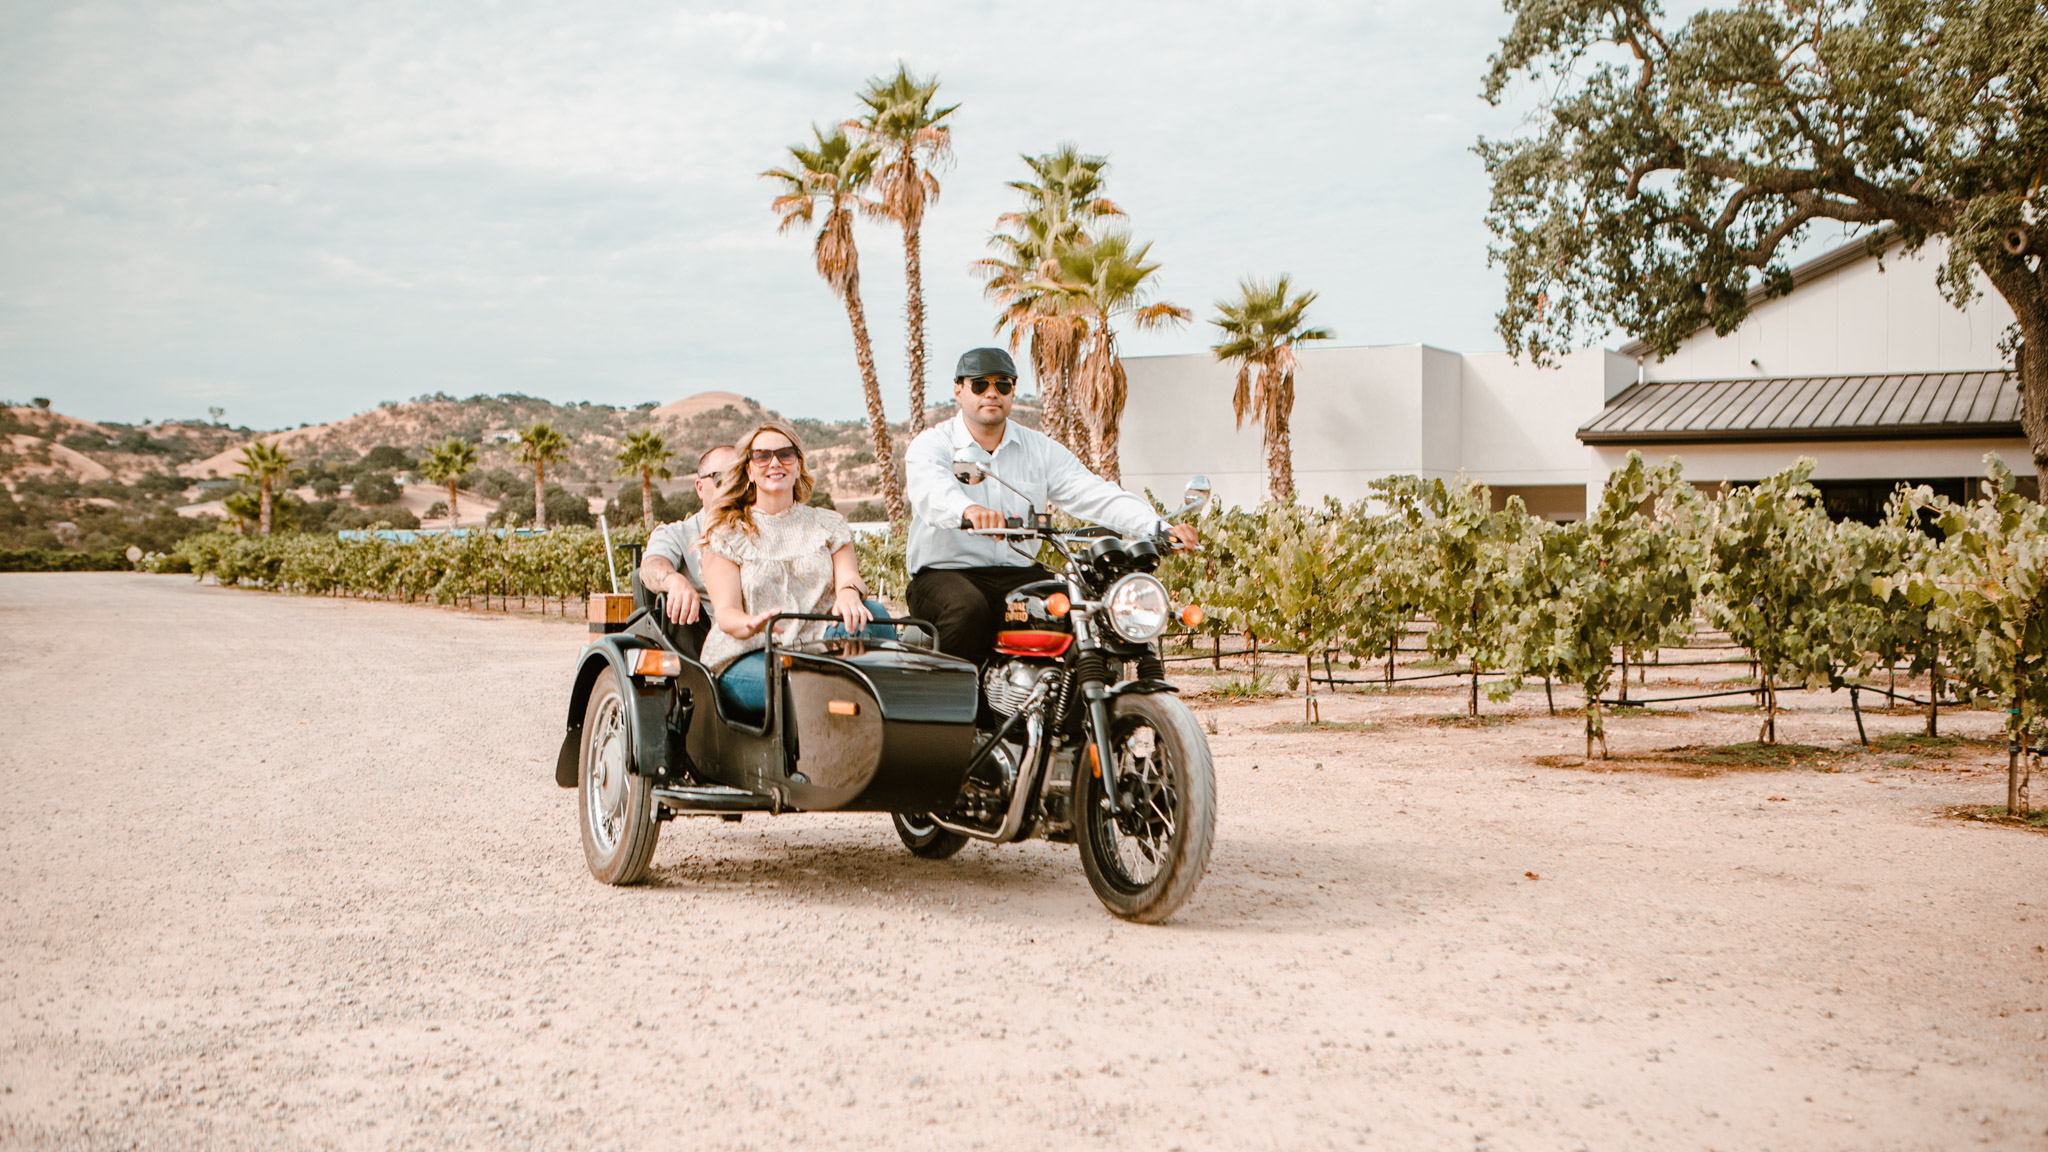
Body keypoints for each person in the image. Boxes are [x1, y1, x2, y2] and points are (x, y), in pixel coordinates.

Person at [904, 346, 1198, 664]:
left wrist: (1160, 528)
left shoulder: (1039, 449)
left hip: (1015, 573)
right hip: (944, 574)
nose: (992, 393)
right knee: (966, 608)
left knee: (1076, 609)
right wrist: (968, 511)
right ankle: (956, 708)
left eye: (1002, 385)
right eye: (980, 384)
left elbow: (1094, 493)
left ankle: (1067, 706)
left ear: (1013, 390)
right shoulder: (933, 444)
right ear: (958, 390)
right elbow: (931, 490)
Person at [699, 421, 889, 722]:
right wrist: (752, 623)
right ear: (749, 470)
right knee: (810, 686)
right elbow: (726, 614)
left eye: (785, 454)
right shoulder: (726, 533)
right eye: (762, 456)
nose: (774, 462)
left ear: (798, 466)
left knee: (873, 611)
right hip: (750, 655)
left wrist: (850, 594)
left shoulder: (828, 524)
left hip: (820, 646)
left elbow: (849, 576)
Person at [638, 443, 740, 626]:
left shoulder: (765, 531)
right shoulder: (677, 534)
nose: (733, 488)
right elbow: (650, 566)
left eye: (740, 478)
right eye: (721, 479)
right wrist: (675, 582)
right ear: (700, 488)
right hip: (705, 636)